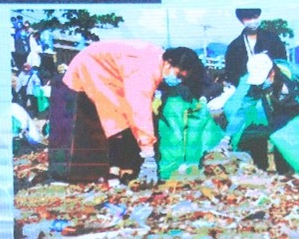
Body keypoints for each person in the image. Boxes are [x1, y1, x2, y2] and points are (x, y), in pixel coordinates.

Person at [60, 40, 205, 183]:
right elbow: (139, 110)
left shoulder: (155, 62)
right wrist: (148, 153)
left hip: (108, 72)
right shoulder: (145, 70)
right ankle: (113, 173)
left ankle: (116, 172)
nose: (178, 80)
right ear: (168, 63)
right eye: (178, 76)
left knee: (122, 122)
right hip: (92, 68)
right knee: (118, 122)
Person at [226, 53, 299, 175]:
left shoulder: (294, 71)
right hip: (279, 112)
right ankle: (285, 176)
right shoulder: (257, 86)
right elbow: (243, 110)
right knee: (281, 144)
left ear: (272, 72)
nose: (261, 84)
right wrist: (228, 135)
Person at [223, 8, 288, 87]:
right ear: (241, 20)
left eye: (255, 17)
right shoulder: (234, 47)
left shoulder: (273, 39)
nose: (252, 20)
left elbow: (283, 64)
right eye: (248, 18)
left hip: (272, 85)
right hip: (246, 87)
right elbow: (230, 73)